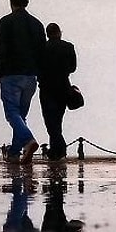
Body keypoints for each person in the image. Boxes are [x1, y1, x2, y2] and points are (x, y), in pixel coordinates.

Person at [0, 0, 46, 163]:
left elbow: (1, 49)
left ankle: (29, 140)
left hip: (10, 73)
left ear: (11, 1)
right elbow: (42, 52)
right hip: (31, 76)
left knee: (12, 113)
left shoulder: (5, 22)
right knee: (21, 115)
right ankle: (15, 152)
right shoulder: (38, 25)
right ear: (27, 0)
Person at [38, 22, 77, 161]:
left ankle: (59, 148)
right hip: (63, 87)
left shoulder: (42, 48)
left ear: (47, 34)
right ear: (59, 32)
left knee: (50, 120)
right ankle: (57, 149)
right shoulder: (68, 47)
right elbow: (73, 67)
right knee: (58, 119)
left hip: (46, 88)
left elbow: (37, 67)